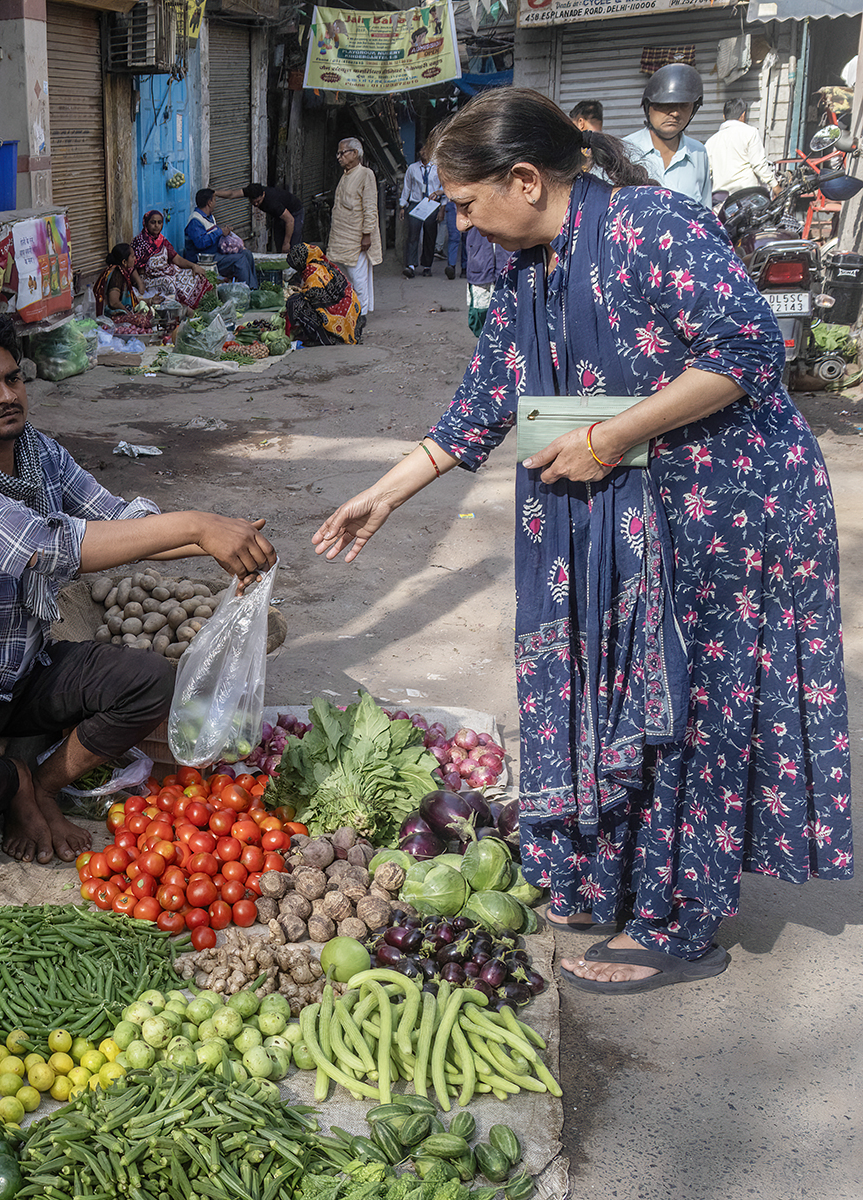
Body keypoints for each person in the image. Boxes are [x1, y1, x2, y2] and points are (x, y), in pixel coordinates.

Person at [312, 88, 852, 995]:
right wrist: (384, 496)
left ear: (524, 180)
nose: (461, 222)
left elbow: (746, 350)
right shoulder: (531, 265)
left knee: (688, 703)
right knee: (608, 681)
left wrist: (606, 438)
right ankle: (610, 875)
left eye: (465, 202)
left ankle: (678, 924)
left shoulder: (649, 226)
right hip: (620, 517)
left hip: (724, 509)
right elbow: (481, 405)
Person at [0, 312, 276, 864]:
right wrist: (196, 525)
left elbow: (121, 522)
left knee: (150, 682)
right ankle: (12, 781)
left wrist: (227, 539)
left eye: (13, 379)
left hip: (18, 672)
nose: (7, 396)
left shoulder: (40, 454)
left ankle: (43, 781)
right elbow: (39, 544)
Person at [623, 63, 713, 207]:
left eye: (684, 105)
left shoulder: (699, 152)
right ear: (648, 107)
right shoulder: (624, 150)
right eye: (665, 104)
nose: (675, 113)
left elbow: (705, 211)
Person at [327, 138, 383, 317]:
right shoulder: (346, 174)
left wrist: (367, 234)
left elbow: (370, 206)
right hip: (341, 237)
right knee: (348, 278)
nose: (339, 157)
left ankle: (361, 315)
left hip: (356, 237)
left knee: (359, 279)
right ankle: (354, 312)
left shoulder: (366, 174)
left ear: (355, 153)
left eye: (342, 152)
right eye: (338, 153)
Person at [131, 210, 214, 310]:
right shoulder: (139, 242)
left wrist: (193, 266)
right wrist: (140, 284)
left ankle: (198, 306)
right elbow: (131, 266)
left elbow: (176, 259)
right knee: (169, 282)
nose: (156, 226)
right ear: (146, 223)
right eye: (153, 222)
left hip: (167, 272)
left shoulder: (162, 240)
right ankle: (180, 310)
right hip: (149, 278)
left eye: (159, 222)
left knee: (194, 275)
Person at [283, 242, 361, 345]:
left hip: (338, 317)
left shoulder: (311, 273)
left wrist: (298, 294)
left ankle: (324, 336)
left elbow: (315, 297)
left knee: (295, 302)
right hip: (350, 312)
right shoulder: (322, 263)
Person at [183, 189, 259, 288]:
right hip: (203, 259)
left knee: (246, 254)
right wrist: (219, 232)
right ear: (209, 203)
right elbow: (200, 243)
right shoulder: (195, 220)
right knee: (239, 260)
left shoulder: (209, 217)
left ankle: (254, 286)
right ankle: (250, 290)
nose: (215, 203)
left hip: (214, 254)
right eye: (214, 200)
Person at [705, 98, 779, 196]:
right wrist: (775, 185)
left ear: (724, 117)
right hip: (746, 196)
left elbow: (705, 173)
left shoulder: (711, 142)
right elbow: (758, 165)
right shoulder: (750, 133)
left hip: (721, 200)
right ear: (743, 115)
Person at [213, 183, 304, 253]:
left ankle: (295, 273)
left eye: (258, 201)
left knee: (292, 247)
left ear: (263, 194)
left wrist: (286, 243)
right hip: (279, 216)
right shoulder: (251, 191)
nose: (256, 204)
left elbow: (290, 220)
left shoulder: (272, 202)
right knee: (280, 246)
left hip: (294, 214)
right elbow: (232, 194)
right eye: (253, 202)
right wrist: (214, 193)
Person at [399, 144, 444, 278]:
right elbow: (407, 187)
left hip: (432, 204)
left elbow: (444, 186)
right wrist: (403, 205)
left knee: (430, 235)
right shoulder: (412, 168)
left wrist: (442, 208)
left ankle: (427, 265)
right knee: (413, 233)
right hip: (416, 203)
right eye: (422, 149)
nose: (424, 152)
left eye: (427, 149)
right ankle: (411, 265)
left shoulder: (438, 169)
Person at [462, 225, 512, 335]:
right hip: (480, 261)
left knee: (508, 312)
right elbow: (462, 224)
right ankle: (482, 343)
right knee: (479, 311)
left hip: (507, 261)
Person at [94, 244, 153, 335]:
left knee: (148, 313)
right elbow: (114, 302)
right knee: (142, 320)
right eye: (132, 256)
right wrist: (129, 313)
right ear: (124, 262)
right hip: (111, 317)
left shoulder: (122, 272)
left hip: (119, 313)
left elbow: (131, 300)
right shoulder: (117, 275)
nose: (135, 259)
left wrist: (150, 300)